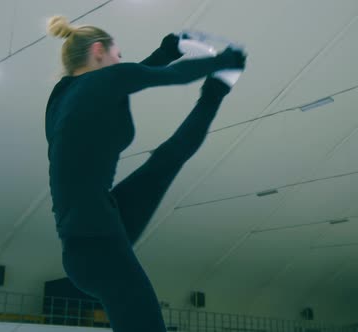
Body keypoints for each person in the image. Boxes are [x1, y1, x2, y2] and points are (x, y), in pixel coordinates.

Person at [44, 15, 246, 332]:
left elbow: (135, 75)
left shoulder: (61, 97)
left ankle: (217, 88)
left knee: (167, 159)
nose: (121, 60)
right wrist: (227, 58)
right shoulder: (103, 83)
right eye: (118, 54)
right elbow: (167, 76)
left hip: (97, 230)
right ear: (98, 50)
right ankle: (218, 85)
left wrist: (171, 48)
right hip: (99, 248)